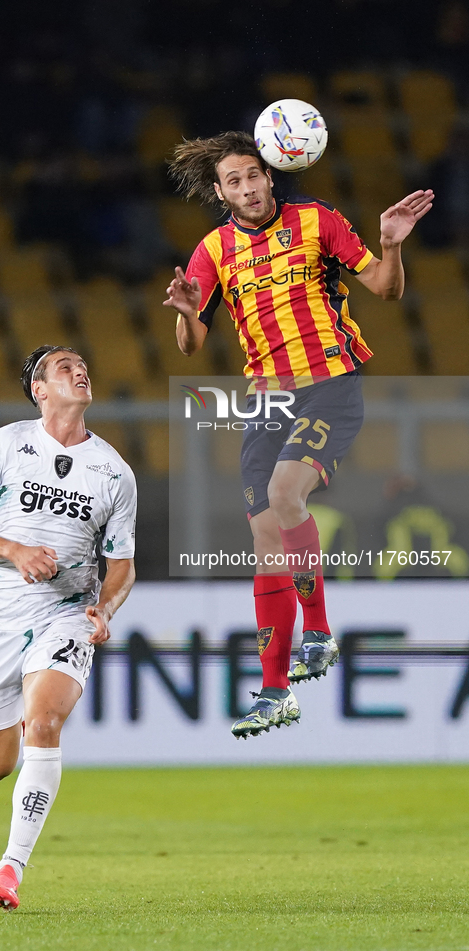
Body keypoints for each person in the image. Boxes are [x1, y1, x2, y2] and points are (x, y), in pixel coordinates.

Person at [164, 130, 433, 739]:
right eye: (233, 181)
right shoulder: (214, 250)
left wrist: (390, 245)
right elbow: (193, 343)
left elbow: (385, 290)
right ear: (219, 191)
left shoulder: (317, 221)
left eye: (254, 175)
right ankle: (275, 691)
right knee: (264, 539)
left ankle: (318, 630)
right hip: (267, 400)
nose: (247, 187)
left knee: (287, 496)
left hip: (330, 387)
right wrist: (186, 315)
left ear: (272, 173)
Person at [0, 345, 136, 908]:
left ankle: (11, 868)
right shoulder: (6, 445)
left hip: (67, 612)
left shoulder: (114, 471)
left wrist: (106, 607)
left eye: (83, 364)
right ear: (40, 389)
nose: (80, 370)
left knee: (44, 720)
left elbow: (121, 563)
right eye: (64, 366)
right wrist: (14, 549)